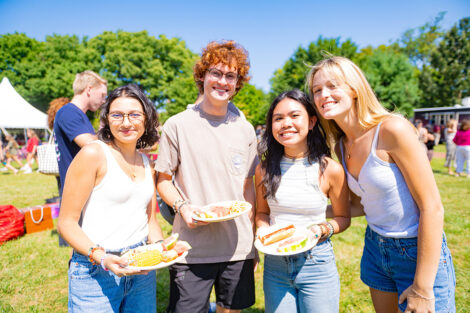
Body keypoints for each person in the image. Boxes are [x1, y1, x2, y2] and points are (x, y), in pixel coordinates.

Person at [307, 56, 455, 313]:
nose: (323, 95)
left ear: (354, 89)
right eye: (317, 90)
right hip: (376, 248)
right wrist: (299, 213)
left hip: (416, 249)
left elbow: (432, 207)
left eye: (332, 86)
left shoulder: (391, 129)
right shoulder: (341, 146)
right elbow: (359, 206)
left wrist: (422, 286)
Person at [156, 40, 258, 313]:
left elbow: (248, 187)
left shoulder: (246, 129)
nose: (222, 81)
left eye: (231, 76)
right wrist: (182, 207)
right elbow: (163, 181)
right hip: (192, 246)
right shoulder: (177, 125)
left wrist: (253, 242)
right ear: (202, 76)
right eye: (216, 73)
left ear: (237, 83)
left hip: (237, 247)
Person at [57, 84, 163, 312]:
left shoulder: (147, 163)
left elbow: (150, 220)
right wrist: (103, 258)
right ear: (107, 119)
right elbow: (66, 223)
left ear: (146, 119)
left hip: (140, 270)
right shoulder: (93, 154)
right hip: (96, 269)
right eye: (117, 115)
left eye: (134, 114)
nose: (126, 122)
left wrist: (163, 250)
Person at [255, 90, 350, 313]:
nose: (285, 123)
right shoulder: (264, 169)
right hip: (275, 263)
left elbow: (343, 218)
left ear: (311, 122)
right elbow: (261, 213)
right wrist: (263, 231)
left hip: (316, 261)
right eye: (278, 118)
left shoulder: (330, 169)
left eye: (294, 116)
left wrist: (321, 229)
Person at [54, 70, 107, 195]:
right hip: (76, 192)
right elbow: (90, 144)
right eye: (102, 95)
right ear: (89, 90)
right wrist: (107, 129)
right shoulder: (69, 112)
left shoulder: (78, 114)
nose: (104, 100)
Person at [47, 97, 70, 190]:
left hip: (58, 158)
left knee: (61, 185)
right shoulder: (66, 121)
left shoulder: (54, 123)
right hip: (65, 160)